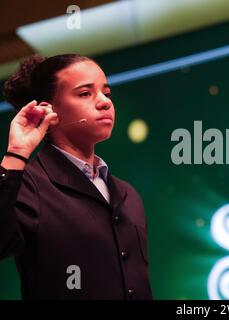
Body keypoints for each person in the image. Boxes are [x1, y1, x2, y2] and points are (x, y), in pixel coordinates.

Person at [0, 54, 153, 300]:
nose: (104, 102)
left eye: (107, 93)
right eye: (85, 93)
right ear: (48, 110)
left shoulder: (128, 195)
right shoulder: (29, 186)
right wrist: (16, 152)